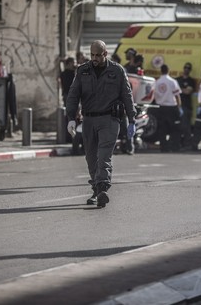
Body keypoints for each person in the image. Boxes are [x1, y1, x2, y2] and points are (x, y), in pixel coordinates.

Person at [66, 40, 136, 207]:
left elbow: (127, 95)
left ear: (105, 54)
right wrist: (70, 117)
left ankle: (102, 187)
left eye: (98, 55)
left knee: (104, 155)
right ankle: (97, 191)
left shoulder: (117, 71)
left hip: (109, 120)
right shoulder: (83, 71)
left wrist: (132, 119)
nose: (95, 58)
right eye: (92, 55)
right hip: (88, 120)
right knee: (91, 157)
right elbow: (73, 94)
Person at [152, 64, 183, 152]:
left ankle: (164, 147)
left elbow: (155, 95)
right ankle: (175, 146)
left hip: (161, 108)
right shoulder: (172, 81)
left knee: (162, 129)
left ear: (161, 71)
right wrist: (179, 107)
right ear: (168, 70)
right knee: (175, 128)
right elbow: (177, 96)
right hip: (171, 107)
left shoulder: (157, 82)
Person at [176, 62, 197, 149]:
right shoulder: (178, 79)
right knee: (178, 126)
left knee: (186, 126)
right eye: (185, 67)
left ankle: (187, 143)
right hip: (178, 106)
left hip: (186, 106)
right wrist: (182, 90)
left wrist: (179, 90)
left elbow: (188, 91)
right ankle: (180, 143)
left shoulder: (191, 81)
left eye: (188, 68)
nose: (186, 69)